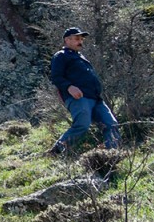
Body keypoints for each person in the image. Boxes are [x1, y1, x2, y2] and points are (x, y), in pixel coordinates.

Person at [49, 26, 121, 154]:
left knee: (111, 124)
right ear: (67, 40)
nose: (80, 41)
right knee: (82, 125)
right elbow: (56, 77)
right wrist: (69, 87)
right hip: (79, 98)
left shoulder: (80, 57)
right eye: (77, 38)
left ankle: (112, 154)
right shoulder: (61, 56)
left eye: (81, 39)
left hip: (96, 98)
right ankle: (57, 150)